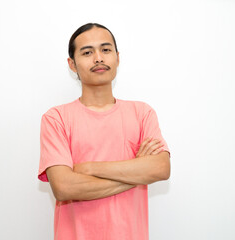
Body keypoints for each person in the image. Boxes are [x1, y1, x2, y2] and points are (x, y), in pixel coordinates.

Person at [38, 23, 171, 240]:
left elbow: (161, 168)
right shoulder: (56, 118)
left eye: (106, 50)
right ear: (72, 64)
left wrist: (89, 168)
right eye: (87, 52)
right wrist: (137, 172)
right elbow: (64, 187)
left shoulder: (142, 113)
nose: (98, 58)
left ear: (117, 57)